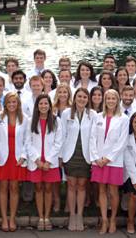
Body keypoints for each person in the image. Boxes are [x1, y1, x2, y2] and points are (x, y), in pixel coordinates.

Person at [90, 89, 129, 234]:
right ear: (104, 100)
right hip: (98, 160)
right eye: (108, 98)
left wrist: (108, 158)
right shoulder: (98, 117)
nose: (111, 101)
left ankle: (113, 219)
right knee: (101, 190)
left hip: (114, 161)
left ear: (117, 100)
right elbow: (92, 138)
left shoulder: (123, 118)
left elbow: (122, 142)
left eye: (113, 98)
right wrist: (96, 157)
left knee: (113, 191)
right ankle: (104, 220)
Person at [0, 92, 28, 232]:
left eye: (14, 102)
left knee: (14, 188)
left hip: (17, 158)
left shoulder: (25, 119)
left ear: (18, 104)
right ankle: (4, 219)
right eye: (9, 102)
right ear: (5, 103)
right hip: (2, 158)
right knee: (3, 188)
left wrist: (24, 155)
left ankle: (12, 218)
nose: (12, 105)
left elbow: (27, 140)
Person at [60, 88, 95, 232]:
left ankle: (79, 215)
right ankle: (72, 215)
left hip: (85, 156)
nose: (82, 99)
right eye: (79, 96)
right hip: (71, 155)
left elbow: (94, 137)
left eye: (84, 97)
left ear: (88, 99)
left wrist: (93, 158)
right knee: (71, 185)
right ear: (75, 98)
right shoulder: (66, 113)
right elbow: (62, 135)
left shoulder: (92, 114)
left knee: (81, 186)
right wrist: (61, 156)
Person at [26, 94, 63, 231]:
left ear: (49, 105)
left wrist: (47, 160)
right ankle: (40, 217)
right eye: (40, 104)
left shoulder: (56, 120)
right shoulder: (31, 121)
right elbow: (28, 142)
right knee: (38, 188)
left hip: (50, 162)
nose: (43, 106)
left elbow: (58, 143)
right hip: (36, 162)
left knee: (48, 189)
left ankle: (47, 217)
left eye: (46, 104)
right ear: (37, 106)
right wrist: (37, 160)